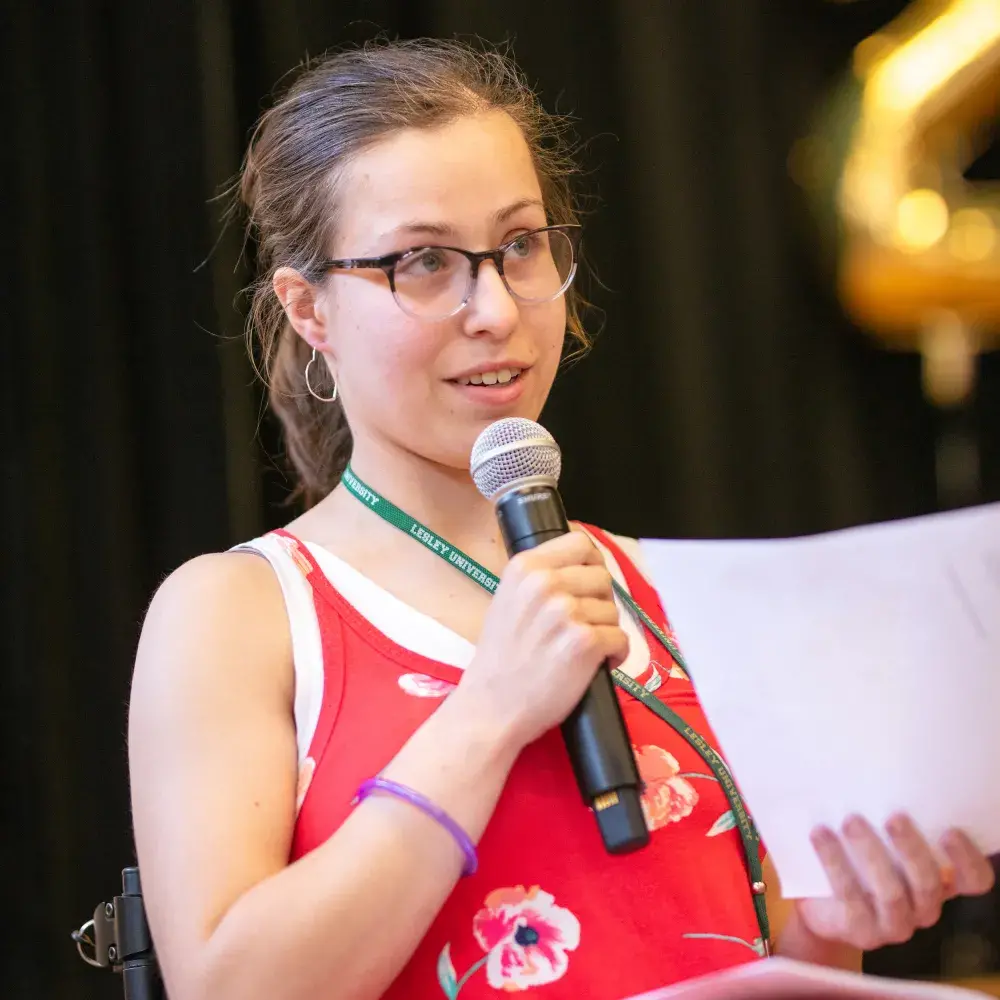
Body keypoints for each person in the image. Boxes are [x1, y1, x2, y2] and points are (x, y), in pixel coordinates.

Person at [127, 37, 995, 1000]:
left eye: (520, 246)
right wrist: (493, 706)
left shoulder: (679, 597)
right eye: (422, 261)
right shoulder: (240, 611)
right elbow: (229, 987)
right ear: (310, 309)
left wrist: (831, 935)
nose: (494, 307)